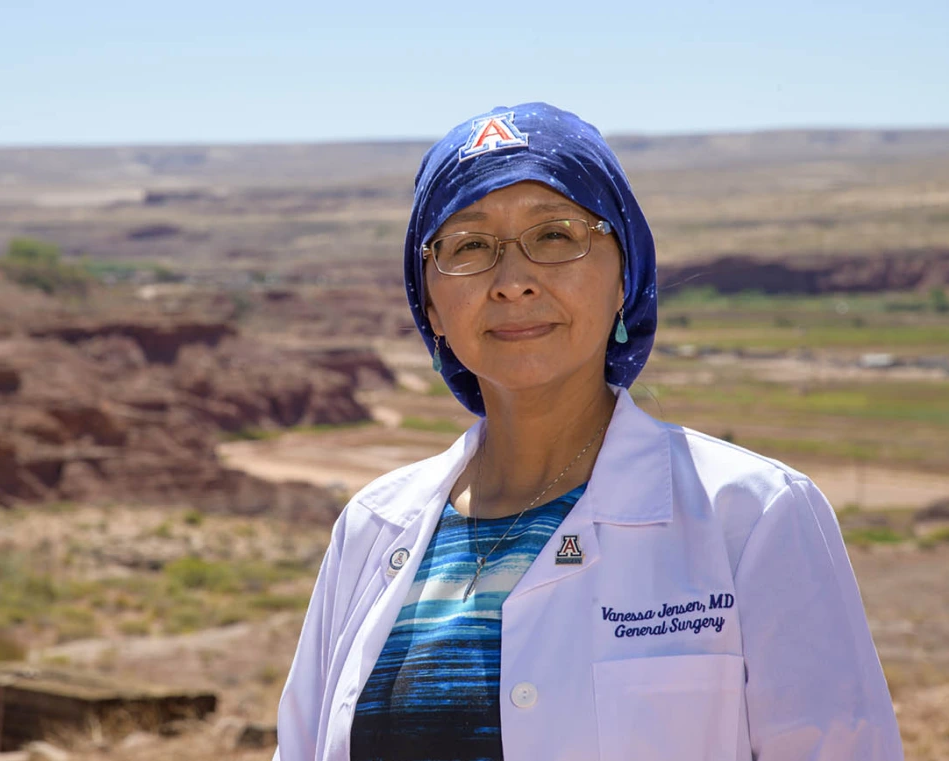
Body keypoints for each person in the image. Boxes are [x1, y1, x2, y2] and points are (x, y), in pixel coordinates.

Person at [273, 103, 903, 760]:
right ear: (428, 302)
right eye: (469, 247)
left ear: (624, 272)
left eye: (555, 236)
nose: (512, 282)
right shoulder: (371, 528)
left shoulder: (754, 515)